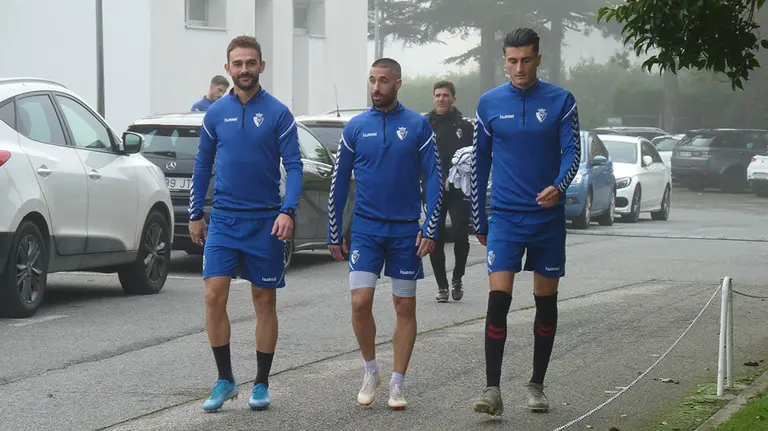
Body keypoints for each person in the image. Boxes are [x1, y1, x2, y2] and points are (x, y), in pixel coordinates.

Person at [188, 35, 303, 413]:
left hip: (265, 222)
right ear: (227, 69)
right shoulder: (215, 113)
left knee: (263, 300)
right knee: (212, 295)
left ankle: (261, 383)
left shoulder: (279, 113)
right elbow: (203, 165)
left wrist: (287, 210)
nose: (244, 70)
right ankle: (225, 379)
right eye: (237, 64)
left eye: (250, 63)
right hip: (223, 220)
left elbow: (295, 166)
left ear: (261, 67)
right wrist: (195, 214)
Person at [470, 28, 581, 416]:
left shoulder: (561, 101)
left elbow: (572, 152)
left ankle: (536, 385)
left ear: (538, 59)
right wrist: (477, 215)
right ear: (504, 60)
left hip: (547, 218)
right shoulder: (488, 104)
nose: (519, 67)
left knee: (545, 302)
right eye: (512, 60)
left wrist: (558, 185)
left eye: (526, 60)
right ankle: (492, 389)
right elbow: (480, 161)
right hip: (504, 216)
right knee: (498, 299)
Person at [327, 58, 443, 410]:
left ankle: (397, 382)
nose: (376, 88)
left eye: (383, 81)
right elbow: (339, 181)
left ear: (398, 84)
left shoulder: (418, 126)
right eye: (372, 80)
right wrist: (334, 230)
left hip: (405, 230)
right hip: (365, 229)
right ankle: (370, 370)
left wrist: (431, 225)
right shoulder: (356, 127)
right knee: (360, 301)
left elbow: (435, 177)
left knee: (403, 304)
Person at [424, 80, 474, 303]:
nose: (441, 99)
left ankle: (457, 278)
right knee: (436, 235)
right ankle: (442, 286)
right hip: (433, 188)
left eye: (445, 95)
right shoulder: (424, 125)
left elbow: (475, 156)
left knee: (461, 233)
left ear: (453, 99)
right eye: (437, 95)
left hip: (457, 188)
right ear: (433, 98)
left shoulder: (465, 126)